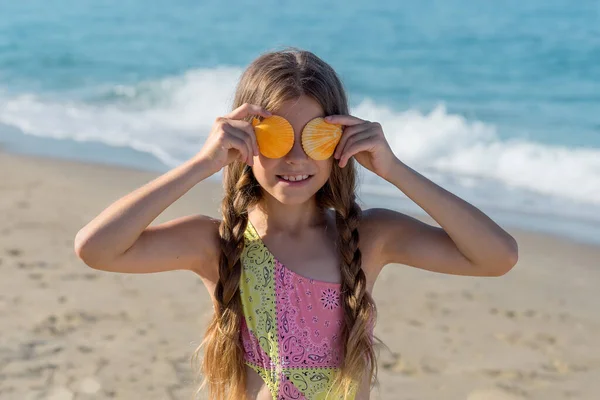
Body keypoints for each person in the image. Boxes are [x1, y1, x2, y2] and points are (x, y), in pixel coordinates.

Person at [74, 47, 518, 400]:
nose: (295, 159)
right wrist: (200, 164)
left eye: (314, 137)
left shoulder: (370, 237)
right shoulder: (217, 243)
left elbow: (497, 257)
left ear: (340, 140)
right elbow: (95, 248)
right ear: (243, 135)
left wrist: (394, 169)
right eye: (275, 136)